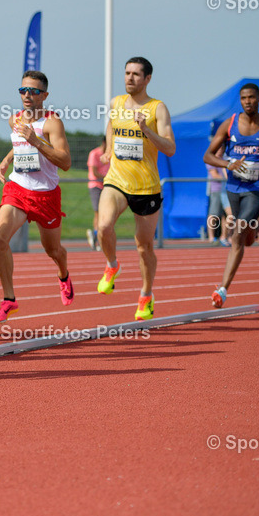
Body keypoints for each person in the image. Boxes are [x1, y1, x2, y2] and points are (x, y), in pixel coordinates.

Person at [96, 57, 176, 321]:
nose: (129, 78)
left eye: (136, 75)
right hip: (117, 181)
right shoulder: (116, 103)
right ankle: (111, 265)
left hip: (146, 187)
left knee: (144, 247)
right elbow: (111, 125)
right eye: (127, 73)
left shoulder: (157, 108)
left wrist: (145, 130)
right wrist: (108, 150)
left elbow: (170, 148)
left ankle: (146, 294)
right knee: (104, 226)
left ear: (147, 79)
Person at [0, 71, 73, 322]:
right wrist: (6, 160)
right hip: (18, 188)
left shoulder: (52, 123)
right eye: (23, 90)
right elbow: (19, 145)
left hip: (45, 195)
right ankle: (9, 299)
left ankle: (63, 274)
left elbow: (66, 162)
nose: (28, 95)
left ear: (44, 95)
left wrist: (36, 141)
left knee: (53, 250)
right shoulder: (14, 120)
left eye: (34, 91)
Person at [204, 83, 259, 307]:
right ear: (240, 100)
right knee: (247, 240)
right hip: (234, 188)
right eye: (243, 98)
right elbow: (208, 156)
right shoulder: (229, 125)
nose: (247, 101)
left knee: (237, 235)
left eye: (251, 97)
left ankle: (222, 289)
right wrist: (227, 164)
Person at [86, 139, 110, 250]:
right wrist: (107, 178)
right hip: (96, 185)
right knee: (98, 212)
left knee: (107, 213)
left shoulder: (111, 154)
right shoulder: (94, 153)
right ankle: (97, 236)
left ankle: (98, 235)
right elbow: (94, 172)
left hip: (108, 186)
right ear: (104, 142)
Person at [205, 162, 231, 246]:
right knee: (213, 214)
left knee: (227, 215)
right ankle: (211, 237)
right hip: (216, 190)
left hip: (227, 190)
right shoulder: (211, 159)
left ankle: (224, 236)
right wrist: (230, 179)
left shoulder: (225, 158)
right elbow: (215, 175)